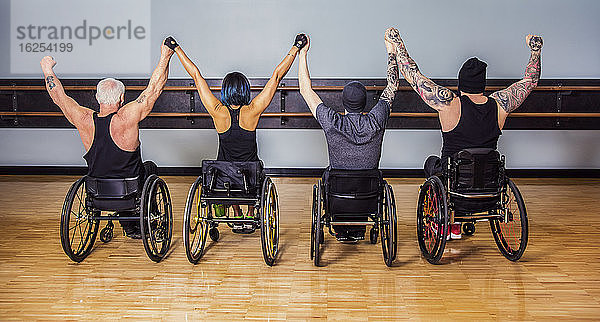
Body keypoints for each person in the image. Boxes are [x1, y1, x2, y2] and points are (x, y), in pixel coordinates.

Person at [385, 27, 543, 239]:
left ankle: (449, 224)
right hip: (489, 188)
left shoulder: (449, 103)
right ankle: (457, 221)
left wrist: (398, 45)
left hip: (455, 187)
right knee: (461, 167)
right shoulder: (501, 104)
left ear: (461, 83)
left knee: (431, 164)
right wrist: (535, 52)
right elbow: (529, 82)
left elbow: (413, 76)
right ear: (483, 84)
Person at [171, 34, 308, 233]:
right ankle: (251, 213)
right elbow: (277, 76)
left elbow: (196, 76)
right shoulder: (252, 110)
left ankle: (237, 214)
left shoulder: (217, 111)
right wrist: (296, 47)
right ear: (245, 90)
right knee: (251, 171)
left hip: (223, 176)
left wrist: (176, 49)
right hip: (249, 177)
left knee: (229, 172)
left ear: (225, 91)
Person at [40, 38, 175, 239]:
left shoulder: (83, 119)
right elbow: (154, 89)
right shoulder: (126, 118)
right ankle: (138, 222)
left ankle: (129, 226)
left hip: (97, 192)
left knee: (125, 175)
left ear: (97, 98)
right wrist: (165, 56)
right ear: (122, 99)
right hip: (129, 193)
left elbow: (59, 97)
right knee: (149, 168)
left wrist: (47, 70)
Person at [298, 33, 400, 242]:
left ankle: (340, 226)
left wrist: (302, 54)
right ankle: (359, 225)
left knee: (326, 177)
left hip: (337, 192)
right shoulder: (376, 119)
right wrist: (392, 51)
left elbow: (305, 90)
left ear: (343, 103)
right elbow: (392, 86)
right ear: (365, 103)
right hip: (369, 192)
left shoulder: (333, 121)